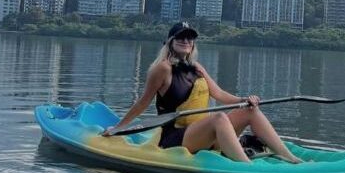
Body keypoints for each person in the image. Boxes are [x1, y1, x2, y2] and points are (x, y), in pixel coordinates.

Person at [103, 21, 301, 163]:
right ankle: (246, 167)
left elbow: (219, 94)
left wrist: (245, 99)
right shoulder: (162, 68)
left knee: (250, 111)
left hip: (202, 134)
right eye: (180, 37)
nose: (186, 40)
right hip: (174, 137)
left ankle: (290, 159)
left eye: (189, 38)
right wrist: (118, 129)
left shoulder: (197, 68)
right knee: (219, 118)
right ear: (170, 41)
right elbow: (143, 103)